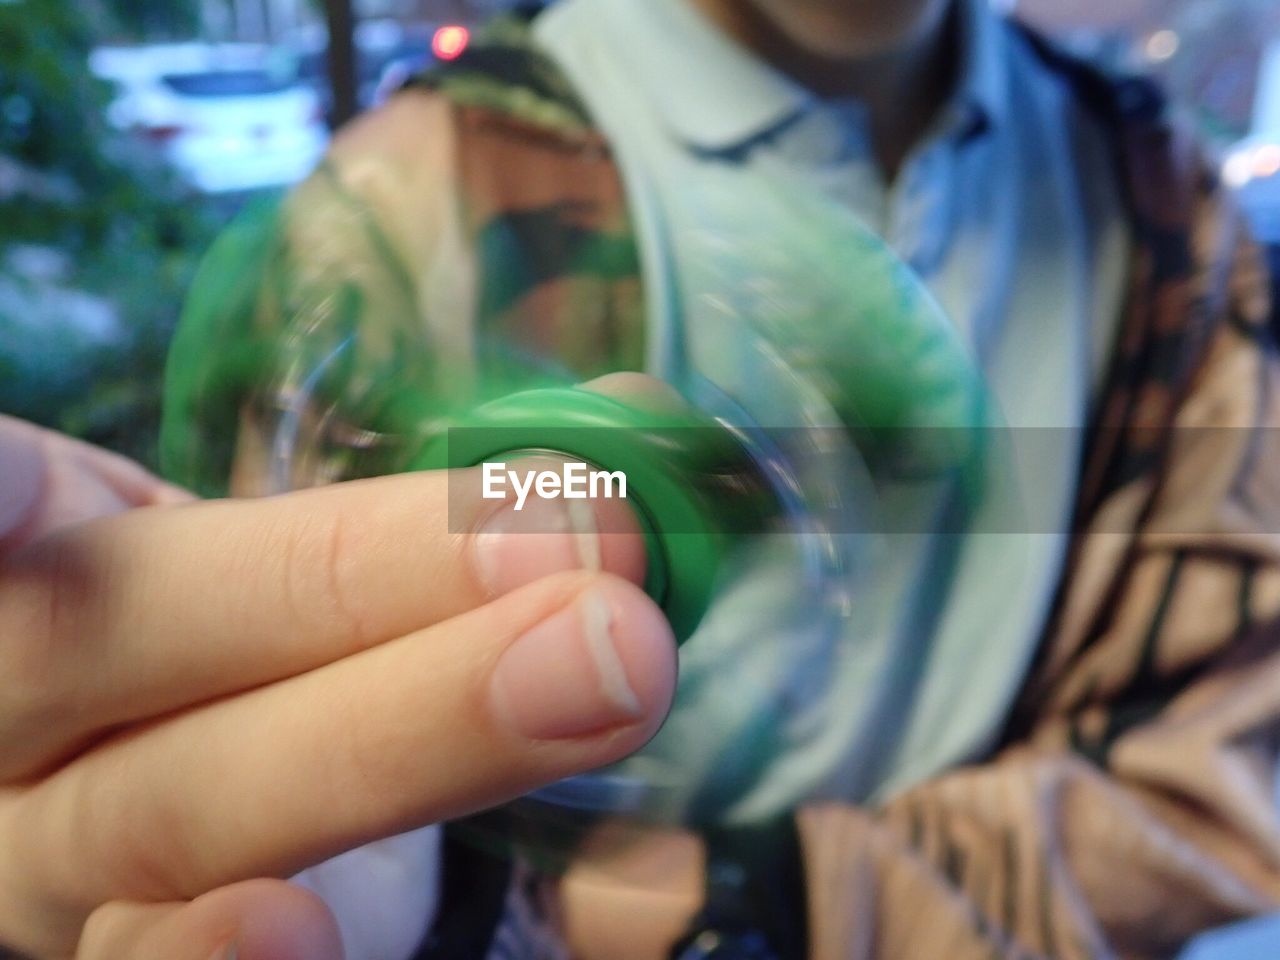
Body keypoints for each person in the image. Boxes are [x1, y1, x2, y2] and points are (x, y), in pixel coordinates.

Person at [4, 1, 1280, 959]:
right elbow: (309, 768)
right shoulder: (403, 209)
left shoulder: (1155, 201)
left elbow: (1227, 783)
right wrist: (416, 887)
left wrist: (741, 908)